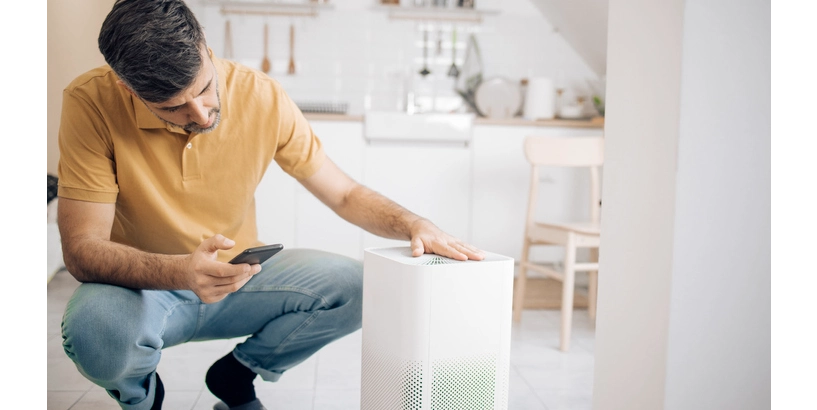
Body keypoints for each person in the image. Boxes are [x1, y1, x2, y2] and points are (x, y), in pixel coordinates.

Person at [55, 1, 486, 409]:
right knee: (96, 332)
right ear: (126, 88)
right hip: (141, 289)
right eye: (173, 107)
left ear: (206, 46)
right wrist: (179, 271)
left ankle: (236, 376)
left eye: (204, 89)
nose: (202, 115)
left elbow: (343, 193)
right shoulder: (90, 103)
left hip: (240, 276)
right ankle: (142, 397)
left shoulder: (261, 95)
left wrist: (414, 223)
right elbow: (82, 248)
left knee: (359, 287)